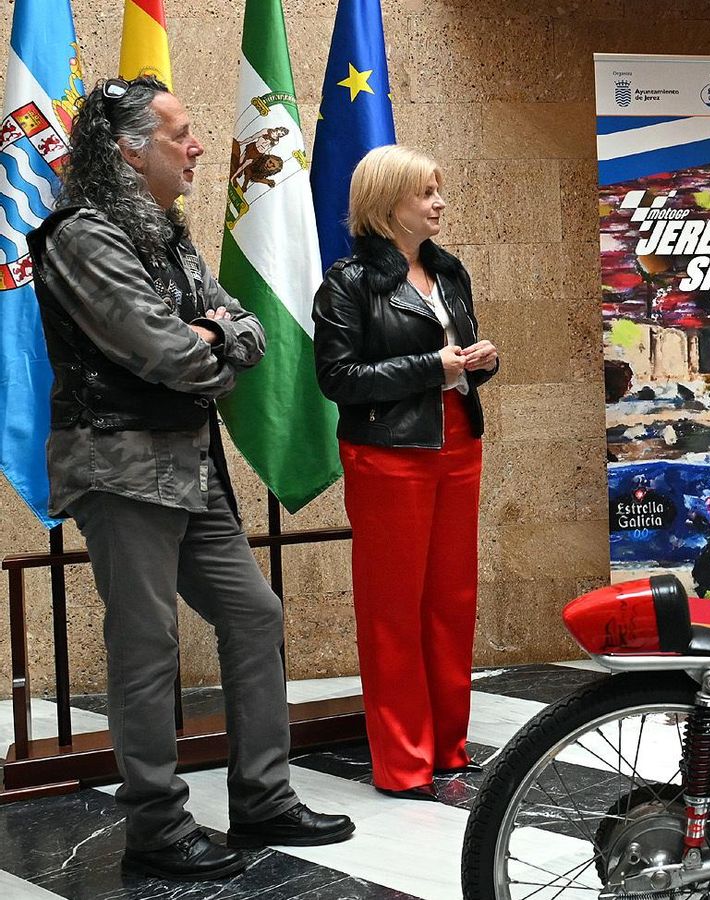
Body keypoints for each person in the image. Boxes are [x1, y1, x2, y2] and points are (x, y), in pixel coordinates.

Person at [27, 76, 354, 882]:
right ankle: (156, 830)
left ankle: (264, 798)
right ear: (128, 149)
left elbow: (241, 326)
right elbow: (164, 351)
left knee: (254, 614)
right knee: (148, 649)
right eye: (181, 133)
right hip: (122, 466)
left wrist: (210, 340)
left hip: (189, 462)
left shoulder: (164, 230)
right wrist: (208, 345)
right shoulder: (80, 235)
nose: (200, 146)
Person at [313, 145, 499, 801]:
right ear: (389, 203)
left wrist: (480, 361)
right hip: (388, 456)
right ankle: (403, 761)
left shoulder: (449, 274)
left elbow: (459, 356)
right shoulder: (349, 282)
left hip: (457, 444)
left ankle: (448, 747)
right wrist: (433, 369)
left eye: (439, 190)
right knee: (394, 610)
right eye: (426, 193)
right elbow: (337, 379)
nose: (439, 203)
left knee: (451, 602)